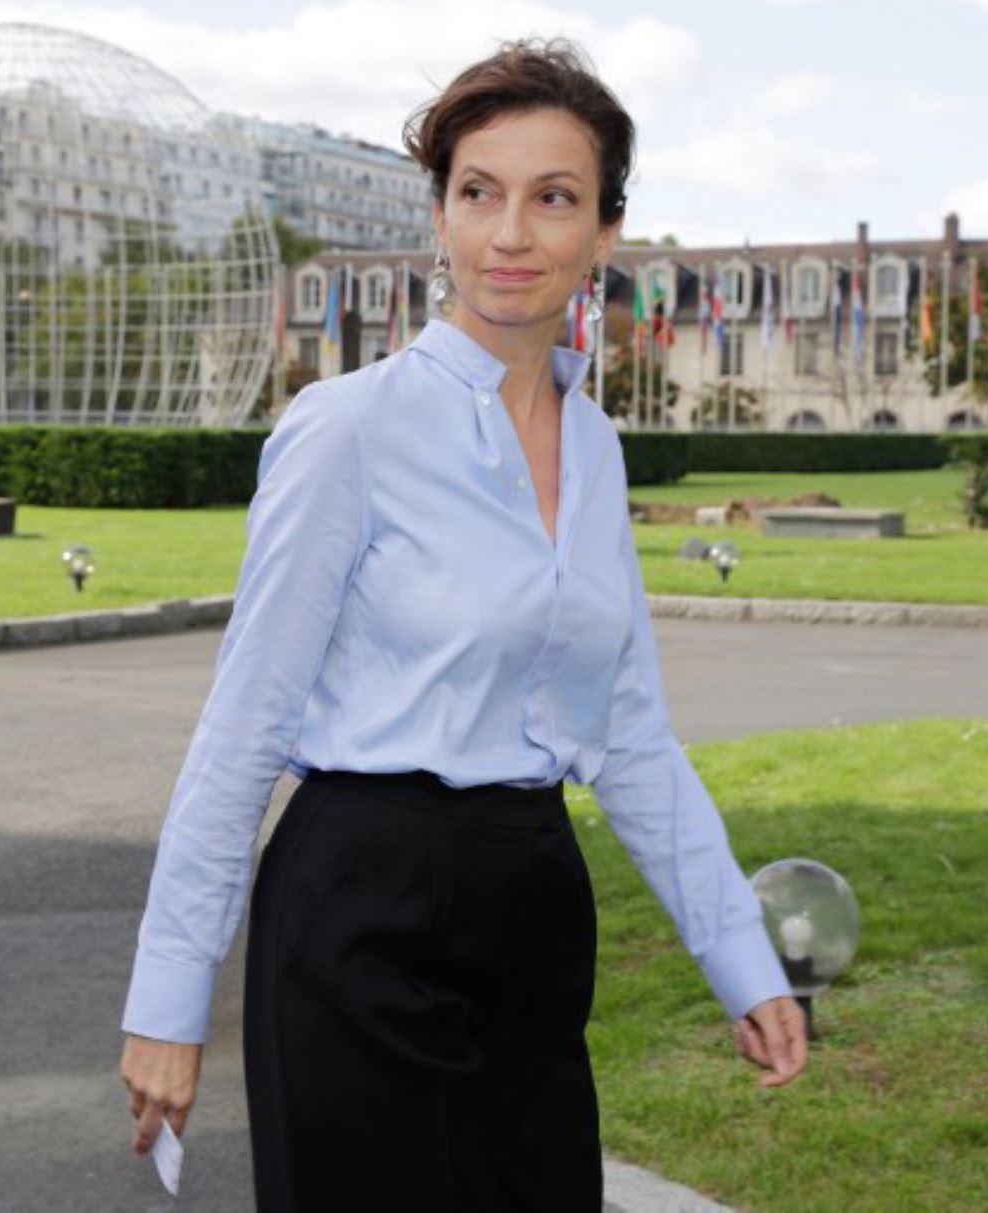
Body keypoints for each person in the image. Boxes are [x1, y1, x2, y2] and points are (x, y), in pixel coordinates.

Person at [120, 36, 808, 1211]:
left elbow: (630, 732)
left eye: (554, 200)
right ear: (439, 213)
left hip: (535, 911)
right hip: (358, 908)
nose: (511, 234)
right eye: (479, 193)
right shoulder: (347, 430)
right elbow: (244, 725)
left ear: (605, 232)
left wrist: (740, 956)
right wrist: (168, 998)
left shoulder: (595, 446)